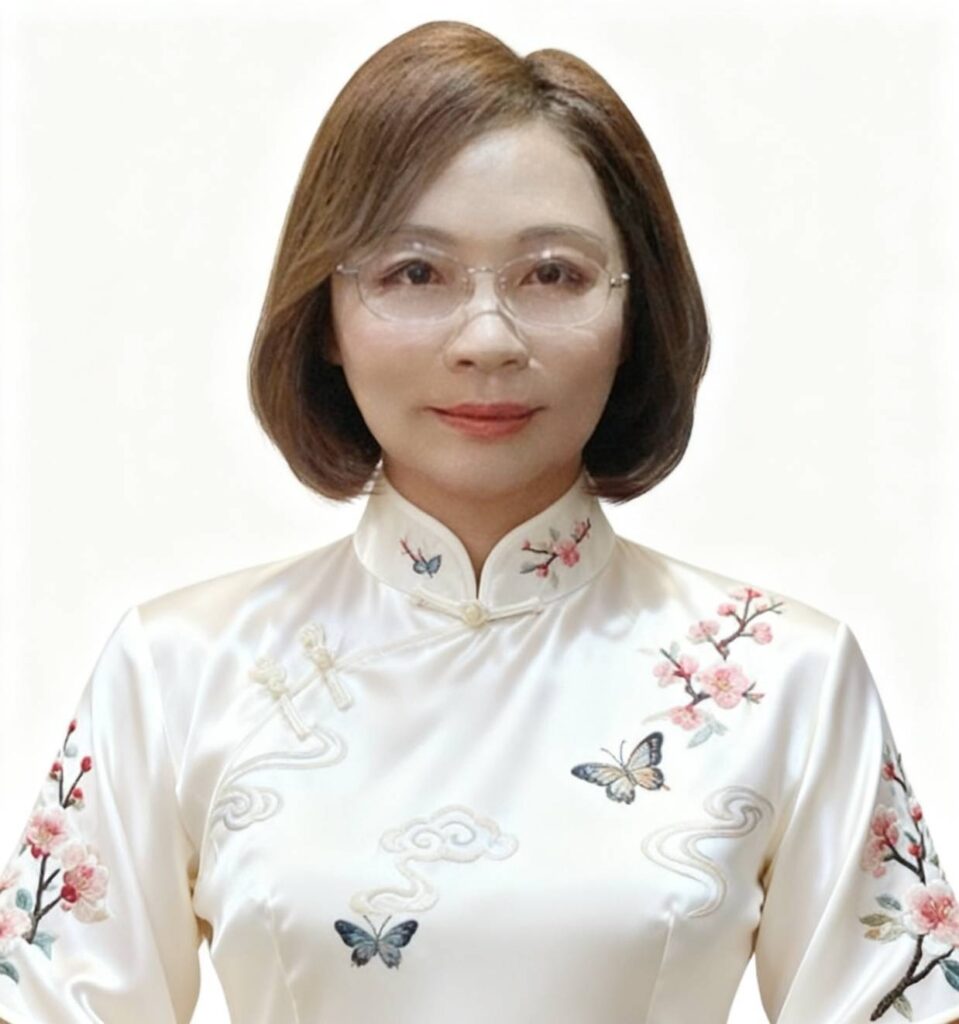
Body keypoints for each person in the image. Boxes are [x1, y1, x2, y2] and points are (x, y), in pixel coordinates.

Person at [0, 18, 957, 1024]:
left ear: (635, 314)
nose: (487, 339)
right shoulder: (180, 672)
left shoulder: (782, 677)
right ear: (324, 316)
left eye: (553, 273)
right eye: (414, 273)